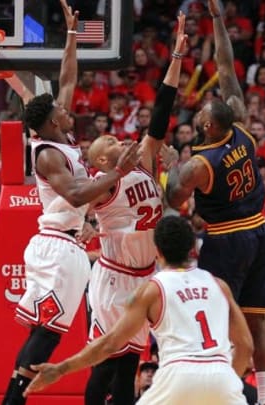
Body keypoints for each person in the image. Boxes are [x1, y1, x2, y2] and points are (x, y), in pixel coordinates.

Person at [1, 2, 141, 403]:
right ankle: (13, 400)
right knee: (47, 334)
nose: (68, 107)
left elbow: (67, 78)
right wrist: (118, 172)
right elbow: (78, 194)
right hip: (58, 245)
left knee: (45, 332)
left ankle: (13, 399)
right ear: (49, 121)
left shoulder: (58, 135)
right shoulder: (47, 153)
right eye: (62, 110)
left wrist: (73, 35)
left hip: (67, 244)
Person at [166, 1, 265, 403]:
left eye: (199, 118)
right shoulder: (242, 129)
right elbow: (227, 68)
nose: (195, 120)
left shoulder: (199, 164)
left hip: (228, 240)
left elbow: (172, 196)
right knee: (257, 321)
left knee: (215, 318)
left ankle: (222, 393)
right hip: (262, 233)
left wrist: (170, 164)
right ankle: (264, 399)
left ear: (210, 126)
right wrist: (217, 18)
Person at [24, 216, 253, 405]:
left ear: (157, 251)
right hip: (222, 375)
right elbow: (245, 345)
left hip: (178, 376)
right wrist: (225, 380)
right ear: (192, 248)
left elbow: (110, 344)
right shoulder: (219, 285)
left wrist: (61, 369)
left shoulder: (152, 290)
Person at [82, 13, 186, 405]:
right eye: (109, 139)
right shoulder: (102, 186)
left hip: (144, 275)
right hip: (114, 279)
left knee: (129, 366)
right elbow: (78, 203)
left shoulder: (142, 160)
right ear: (103, 162)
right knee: (106, 363)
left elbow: (161, 111)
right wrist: (84, 228)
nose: (116, 136)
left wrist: (176, 55)